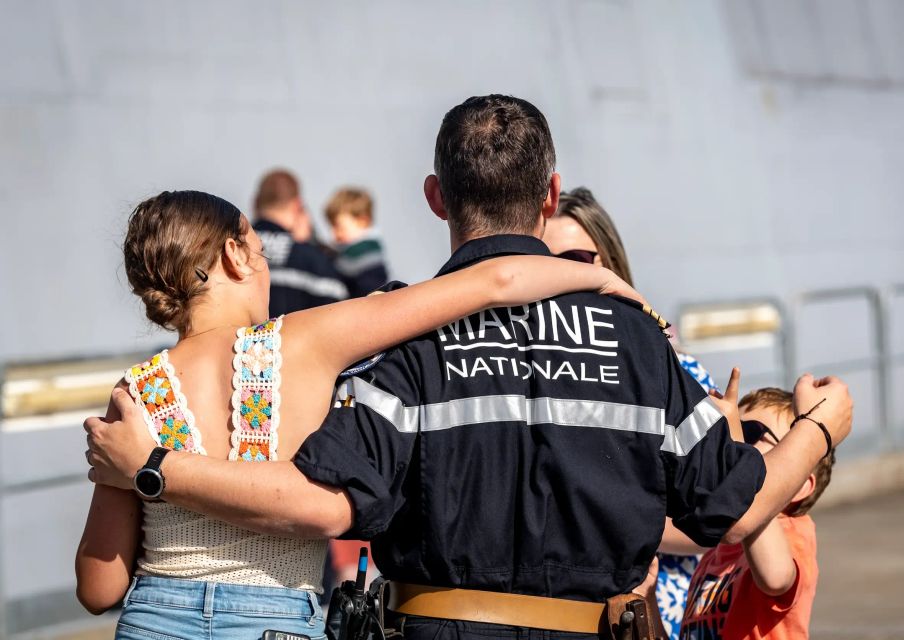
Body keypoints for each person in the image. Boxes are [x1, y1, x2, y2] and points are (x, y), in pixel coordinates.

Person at [85, 95, 853, 640]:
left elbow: (109, 583)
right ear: (549, 195)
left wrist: (153, 467)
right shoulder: (633, 337)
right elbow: (736, 509)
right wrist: (817, 430)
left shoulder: (403, 343)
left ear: (435, 197)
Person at [74, 189, 644, 638]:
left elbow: (100, 586)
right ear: (233, 255)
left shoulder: (136, 394)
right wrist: (596, 277)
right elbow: (494, 282)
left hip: (152, 620)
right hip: (274, 625)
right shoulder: (305, 341)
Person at [542, 187, 715, 639]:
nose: (563, 274)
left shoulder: (675, 369)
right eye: (544, 261)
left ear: (611, 263)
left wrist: (599, 519)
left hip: (657, 612)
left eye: (578, 257)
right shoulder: (534, 371)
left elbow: (711, 516)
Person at [679, 387, 836, 639]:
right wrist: (649, 600)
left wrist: (735, 448)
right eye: (731, 430)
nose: (733, 445)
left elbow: (775, 578)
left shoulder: (793, 535)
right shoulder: (716, 553)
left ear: (797, 485)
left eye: (750, 433)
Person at [254, 169, 349, 313]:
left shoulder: (230, 250)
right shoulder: (315, 260)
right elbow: (340, 315)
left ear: (256, 203)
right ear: (297, 205)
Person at [324, 187, 390, 296]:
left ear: (362, 221)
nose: (334, 233)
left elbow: (341, 269)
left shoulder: (364, 249)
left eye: (339, 227)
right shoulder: (357, 249)